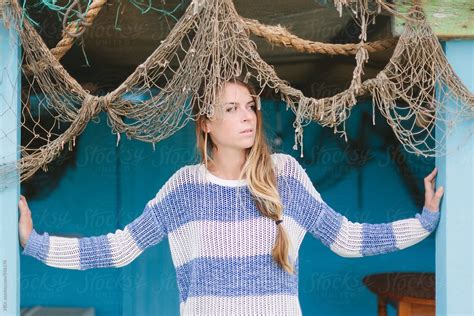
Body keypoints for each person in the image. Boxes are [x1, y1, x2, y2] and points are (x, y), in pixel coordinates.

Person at [18, 77, 444, 315]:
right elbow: (120, 248)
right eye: (231, 108)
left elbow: (347, 239)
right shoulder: (185, 189)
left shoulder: (286, 177)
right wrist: (34, 244)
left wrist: (423, 222)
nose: (247, 117)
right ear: (205, 123)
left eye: (250, 106)